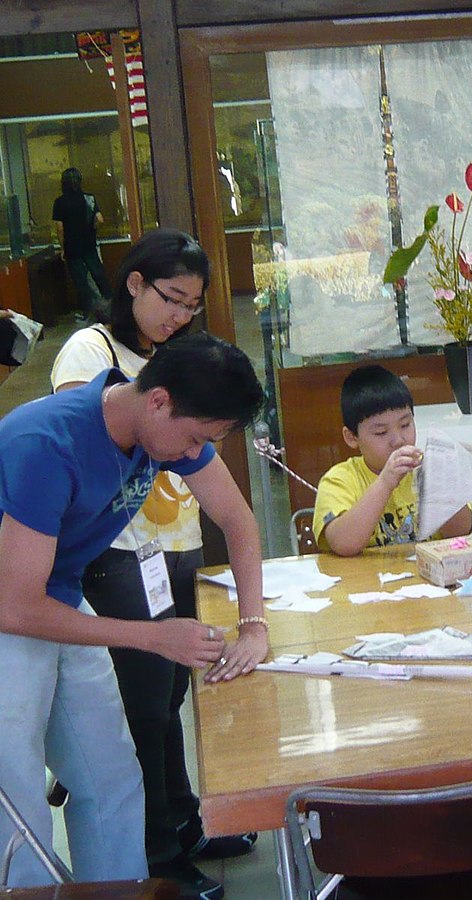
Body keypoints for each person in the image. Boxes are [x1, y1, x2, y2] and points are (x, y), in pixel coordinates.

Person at [0, 332, 267, 892]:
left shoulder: (163, 433)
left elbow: (237, 520)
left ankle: (119, 889)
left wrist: (254, 625)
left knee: (113, 774)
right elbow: (15, 607)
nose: (195, 452)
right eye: (196, 437)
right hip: (11, 612)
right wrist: (152, 637)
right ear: (158, 400)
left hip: (58, 595)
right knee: (17, 795)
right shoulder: (46, 441)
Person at [49, 229, 258, 899]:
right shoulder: (94, 351)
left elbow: (231, 507)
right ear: (134, 284)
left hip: (174, 539)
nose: (178, 315)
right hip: (115, 549)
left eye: (192, 306)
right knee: (139, 701)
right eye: (171, 298)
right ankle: (157, 856)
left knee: (171, 695)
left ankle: (186, 824)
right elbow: (90, 447)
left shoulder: (176, 360)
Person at [314, 365, 472, 556]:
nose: (398, 440)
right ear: (352, 437)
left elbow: (461, 532)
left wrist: (441, 482)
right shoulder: (340, 480)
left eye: (405, 425)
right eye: (381, 432)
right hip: (367, 582)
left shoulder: (426, 469)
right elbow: (343, 544)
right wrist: (385, 482)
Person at [52, 167, 111, 321]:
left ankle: (89, 313)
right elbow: (100, 219)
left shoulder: (59, 202)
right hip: (89, 244)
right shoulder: (88, 198)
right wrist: (92, 229)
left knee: (81, 281)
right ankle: (112, 305)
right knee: (99, 275)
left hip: (72, 247)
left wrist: (63, 248)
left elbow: (59, 227)